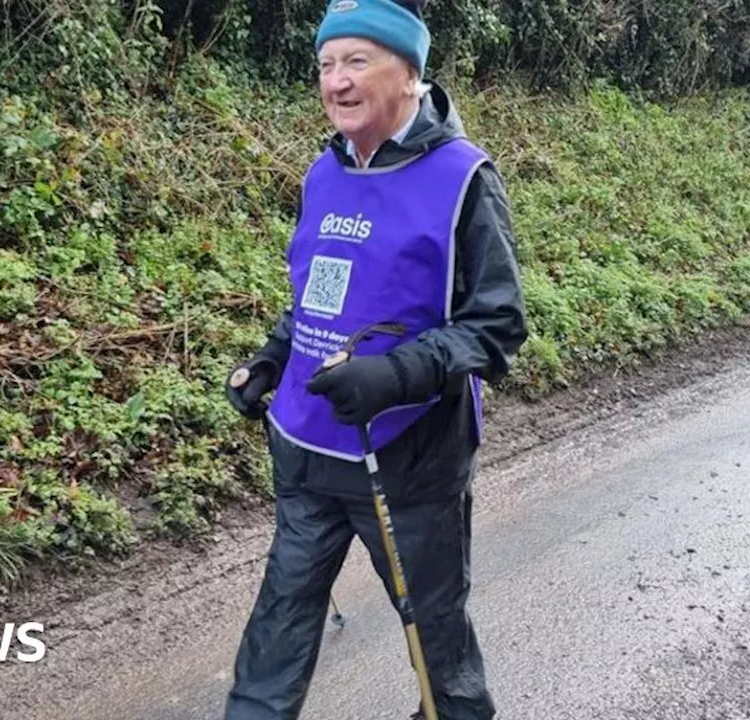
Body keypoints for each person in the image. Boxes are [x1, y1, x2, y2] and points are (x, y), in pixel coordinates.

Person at [222, 0, 526, 717]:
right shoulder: (322, 173)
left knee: (437, 644)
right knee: (278, 627)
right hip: (305, 447)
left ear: (409, 73)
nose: (336, 81)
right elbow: (318, 295)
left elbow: (497, 324)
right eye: (326, 65)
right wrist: (272, 357)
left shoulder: (463, 179)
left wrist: (397, 376)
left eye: (356, 61)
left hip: (410, 459)